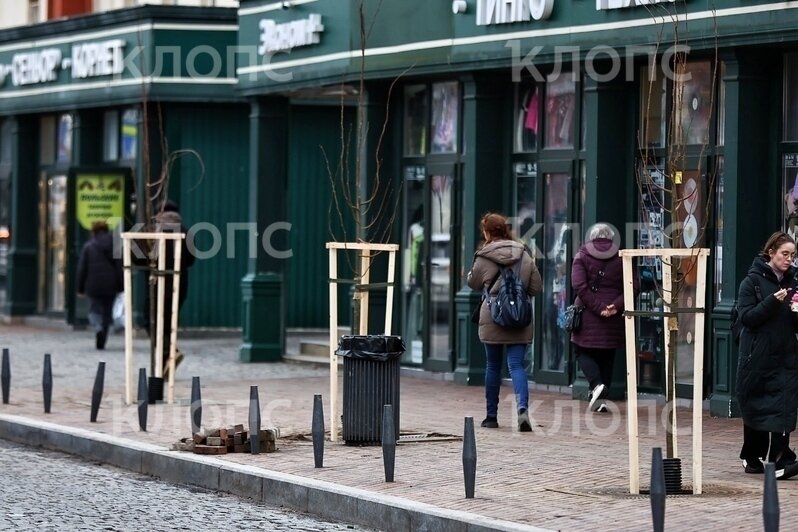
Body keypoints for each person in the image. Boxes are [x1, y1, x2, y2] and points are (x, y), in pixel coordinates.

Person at [467, 212, 542, 431]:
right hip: (519, 317)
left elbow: (472, 283)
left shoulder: (483, 256)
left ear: (487, 232)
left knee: (493, 365)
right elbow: (536, 287)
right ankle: (522, 411)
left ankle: (491, 417)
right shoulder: (524, 254)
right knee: (516, 366)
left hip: (493, 316)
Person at [736, 231, 798, 479]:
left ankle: (781, 457)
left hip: (786, 354)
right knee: (757, 405)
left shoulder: (793, 282)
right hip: (758, 355)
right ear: (771, 253)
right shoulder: (751, 282)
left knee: (784, 405)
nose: (789, 259)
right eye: (785, 254)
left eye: (793, 255)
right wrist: (772, 302)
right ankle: (752, 455)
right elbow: (747, 318)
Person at [570, 223, 636, 412]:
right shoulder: (622, 256)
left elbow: (580, 287)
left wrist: (599, 308)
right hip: (613, 315)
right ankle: (600, 402)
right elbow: (634, 285)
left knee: (580, 349)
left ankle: (597, 385)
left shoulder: (582, 256)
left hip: (588, 313)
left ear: (591, 238)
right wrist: (615, 306)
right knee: (607, 354)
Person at [143, 200, 195, 378]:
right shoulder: (186, 231)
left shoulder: (152, 231)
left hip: (158, 281)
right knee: (169, 322)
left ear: (158, 212)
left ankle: (169, 353)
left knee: (149, 319)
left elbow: (140, 257)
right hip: (180, 282)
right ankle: (167, 359)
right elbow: (191, 260)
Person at [77, 220, 122, 350]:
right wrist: (121, 285)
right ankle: (102, 341)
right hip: (111, 285)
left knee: (94, 310)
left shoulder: (89, 246)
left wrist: (80, 288)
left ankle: (97, 327)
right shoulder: (116, 245)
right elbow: (120, 267)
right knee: (107, 313)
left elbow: (82, 269)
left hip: (93, 285)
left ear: (94, 231)